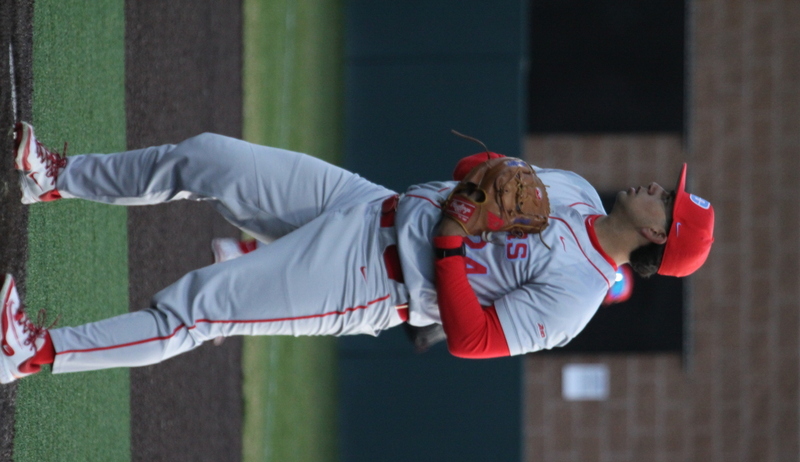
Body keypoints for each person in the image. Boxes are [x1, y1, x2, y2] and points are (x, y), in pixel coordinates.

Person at [0, 122, 715, 384]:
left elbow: (472, 339)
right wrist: (488, 176)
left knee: (199, 308)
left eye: (669, 202)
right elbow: (481, 175)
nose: (658, 187)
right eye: (670, 187)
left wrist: (451, 240)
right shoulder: (580, 192)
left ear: (659, 237)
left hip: (372, 280)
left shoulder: (577, 299)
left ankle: (32, 352)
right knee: (209, 157)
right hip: (369, 204)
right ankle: (53, 177)